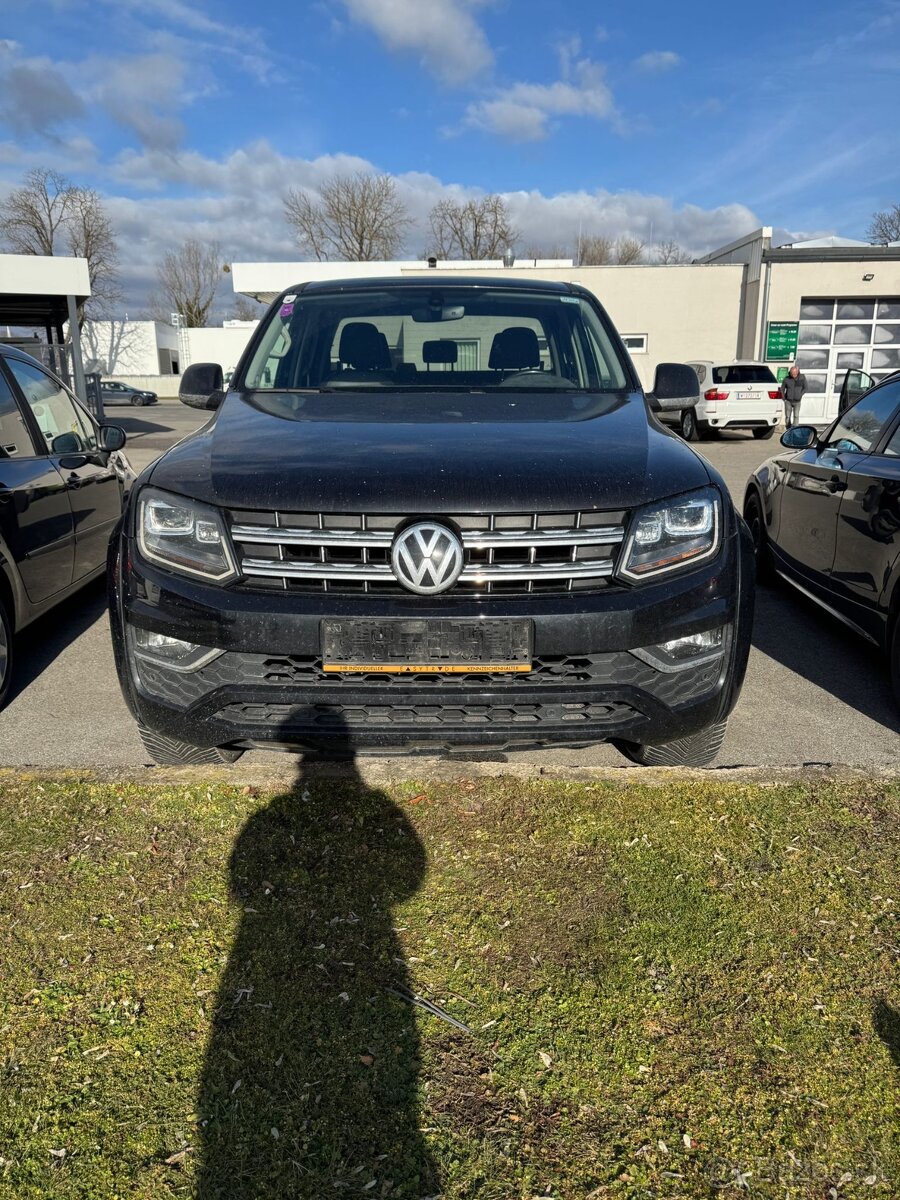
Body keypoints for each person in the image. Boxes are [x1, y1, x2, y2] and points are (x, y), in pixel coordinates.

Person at [781, 364, 807, 428]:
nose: (794, 375)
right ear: (790, 372)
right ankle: (788, 428)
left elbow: (805, 388)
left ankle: (795, 428)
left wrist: (800, 395)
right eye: (792, 374)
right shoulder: (786, 379)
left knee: (796, 415)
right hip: (788, 401)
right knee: (787, 416)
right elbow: (782, 389)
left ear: (797, 372)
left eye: (795, 373)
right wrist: (784, 398)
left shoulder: (802, 377)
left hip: (797, 401)